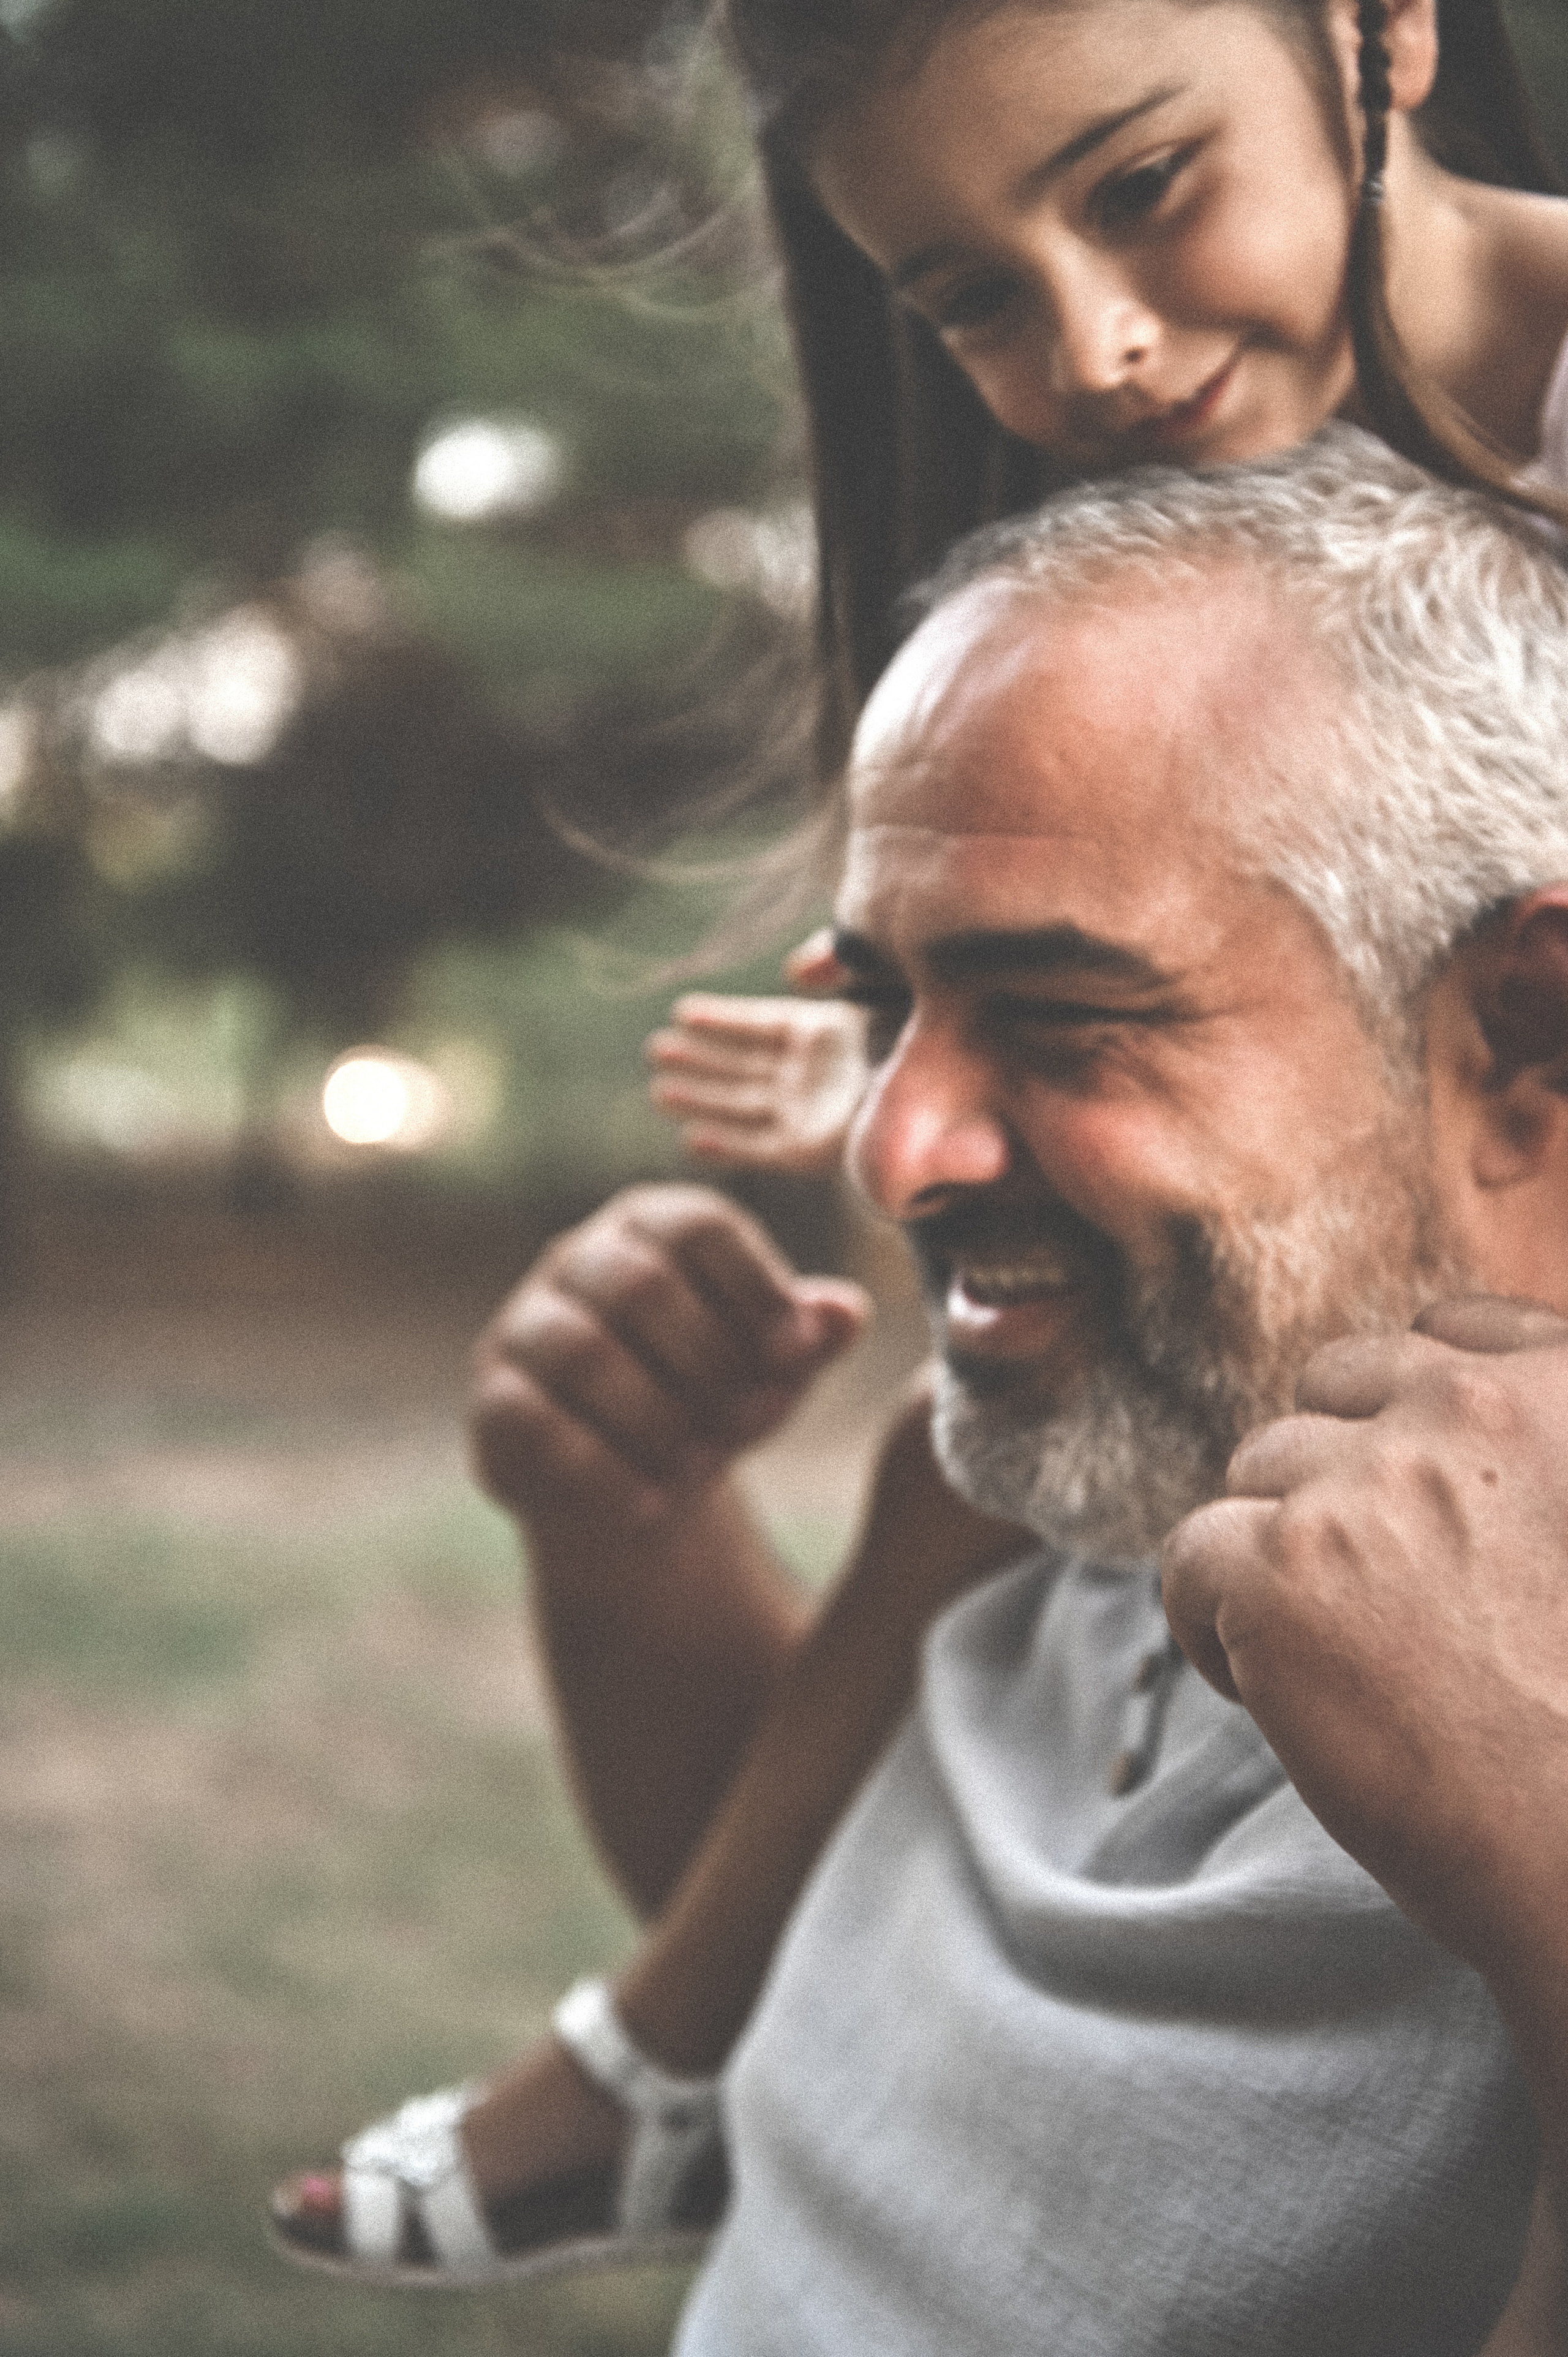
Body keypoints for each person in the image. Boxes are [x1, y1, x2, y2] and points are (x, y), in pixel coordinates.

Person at [270, 0, 1568, 2279]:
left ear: (1386, 31)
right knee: (924, 1500)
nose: (1096, 344)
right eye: (966, 293)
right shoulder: (1179, 463)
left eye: (1142, 183)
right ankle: (671, 2056)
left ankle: (643, 2071)